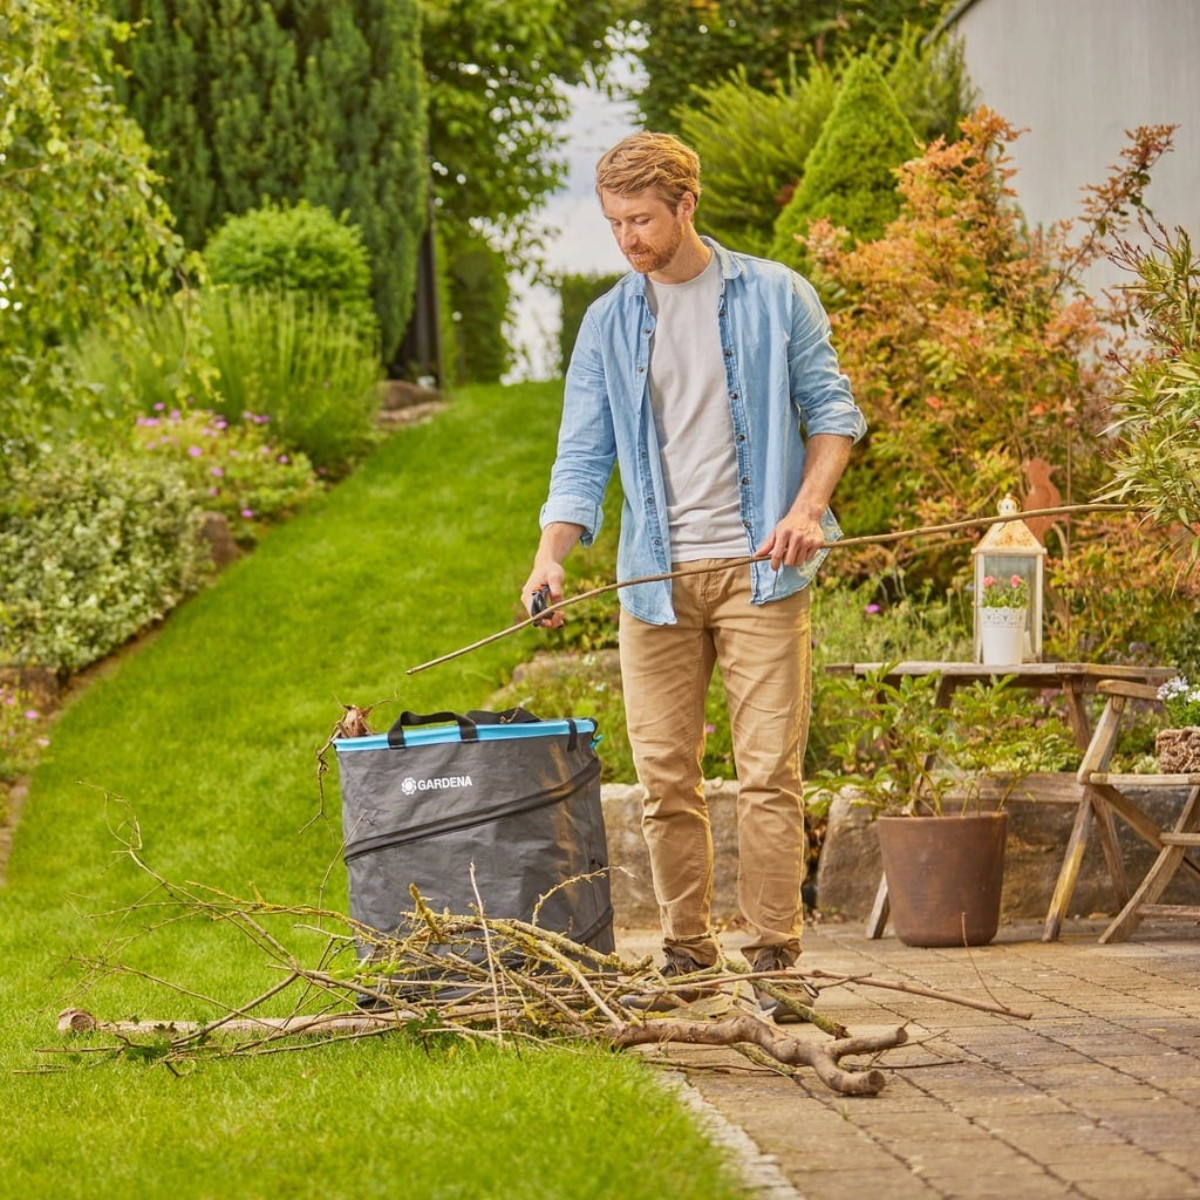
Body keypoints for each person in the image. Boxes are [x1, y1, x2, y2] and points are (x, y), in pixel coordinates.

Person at [521, 131, 866, 1011]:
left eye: (641, 219)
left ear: (685, 206)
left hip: (762, 572)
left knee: (767, 775)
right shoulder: (608, 322)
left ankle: (776, 958)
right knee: (666, 777)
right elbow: (581, 454)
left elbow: (834, 415)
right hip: (653, 581)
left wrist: (803, 512)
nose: (628, 239)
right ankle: (687, 953)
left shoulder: (776, 295)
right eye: (613, 223)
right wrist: (551, 559)